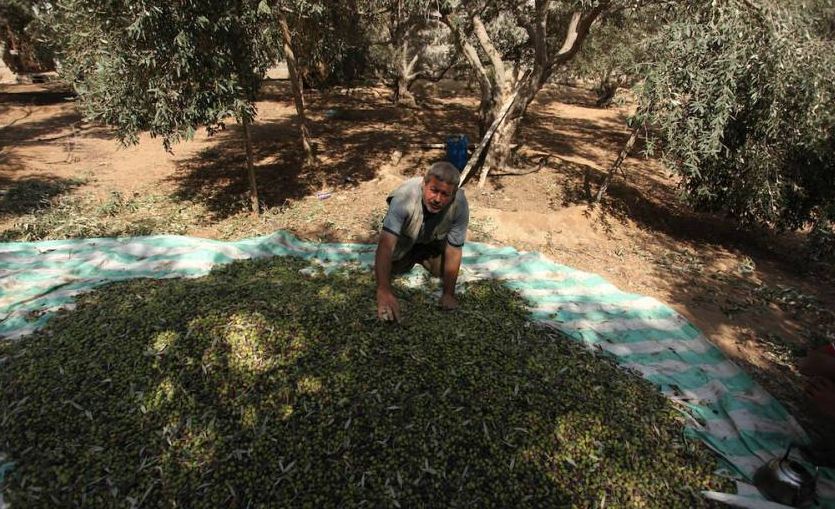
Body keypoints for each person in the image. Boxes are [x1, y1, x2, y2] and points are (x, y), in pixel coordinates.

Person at [375, 161, 469, 322]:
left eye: (445, 194)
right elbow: (386, 245)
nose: (437, 199)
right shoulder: (404, 198)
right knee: (392, 267)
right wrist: (383, 291)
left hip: (431, 240)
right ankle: (410, 255)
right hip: (405, 239)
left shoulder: (459, 204)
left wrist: (448, 294)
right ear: (424, 184)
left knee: (442, 271)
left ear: (453, 195)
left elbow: (454, 250)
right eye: (434, 190)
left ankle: (420, 255)